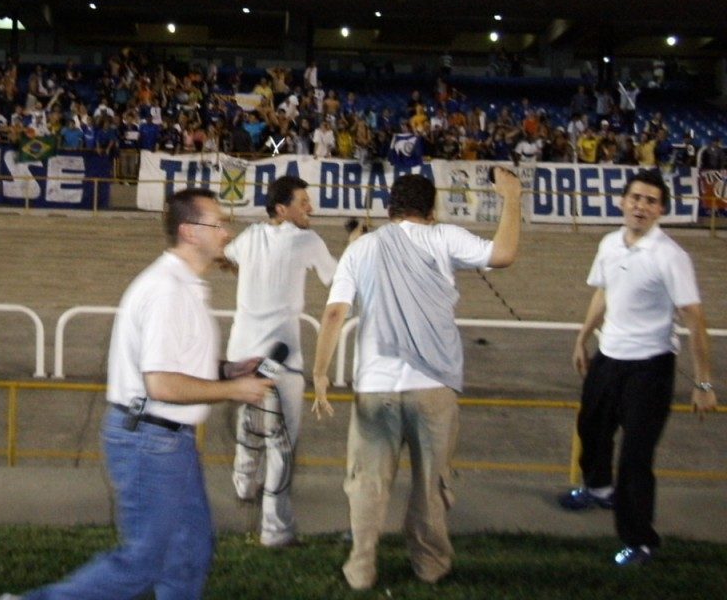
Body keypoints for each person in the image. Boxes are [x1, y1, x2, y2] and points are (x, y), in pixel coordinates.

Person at [0, 189, 271, 600]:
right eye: (218, 223)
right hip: (150, 441)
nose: (227, 232)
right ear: (190, 232)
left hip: (165, 440)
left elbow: (177, 369)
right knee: (144, 560)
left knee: (190, 550)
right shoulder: (167, 291)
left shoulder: (185, 286)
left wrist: (228, 370)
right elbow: (161, 384)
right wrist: (235, 389)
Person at [311, 169, 523, 591]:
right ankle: (429, 566)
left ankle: (361, 569)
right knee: (430, 484)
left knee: (367, 484)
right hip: (433, 385)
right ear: (432, 208)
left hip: (375, 386)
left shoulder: (362, 248)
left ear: (391, 209)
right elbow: (503, 254)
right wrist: (512, 197)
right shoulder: (443, 237)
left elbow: (335, 313)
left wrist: (319, 373)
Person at [558, 169, 716, 566]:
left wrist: (703, 382)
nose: (641, 206)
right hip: (608, 358)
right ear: (622, 201)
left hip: (650, 368)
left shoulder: (670, 256)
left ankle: (641, 540)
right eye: (635, 198)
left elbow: (695, 319)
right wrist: (583, 338)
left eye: (650, 201)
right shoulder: (610, 243)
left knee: (635, 459)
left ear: (661, 209)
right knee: (591, 429)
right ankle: (597, 489)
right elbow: (603, 293)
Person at [223, 176, 338, 547]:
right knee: (281, 443)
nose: (311, 208)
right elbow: (337, 280)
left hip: (242, 356)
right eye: (303, 202)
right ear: (281, 209)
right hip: (280, 359)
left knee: (250, 420)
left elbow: (228, 260)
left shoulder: (250, 236)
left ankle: (243, 482)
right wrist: (355, 248)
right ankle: (274, 529)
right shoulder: (308, 241)